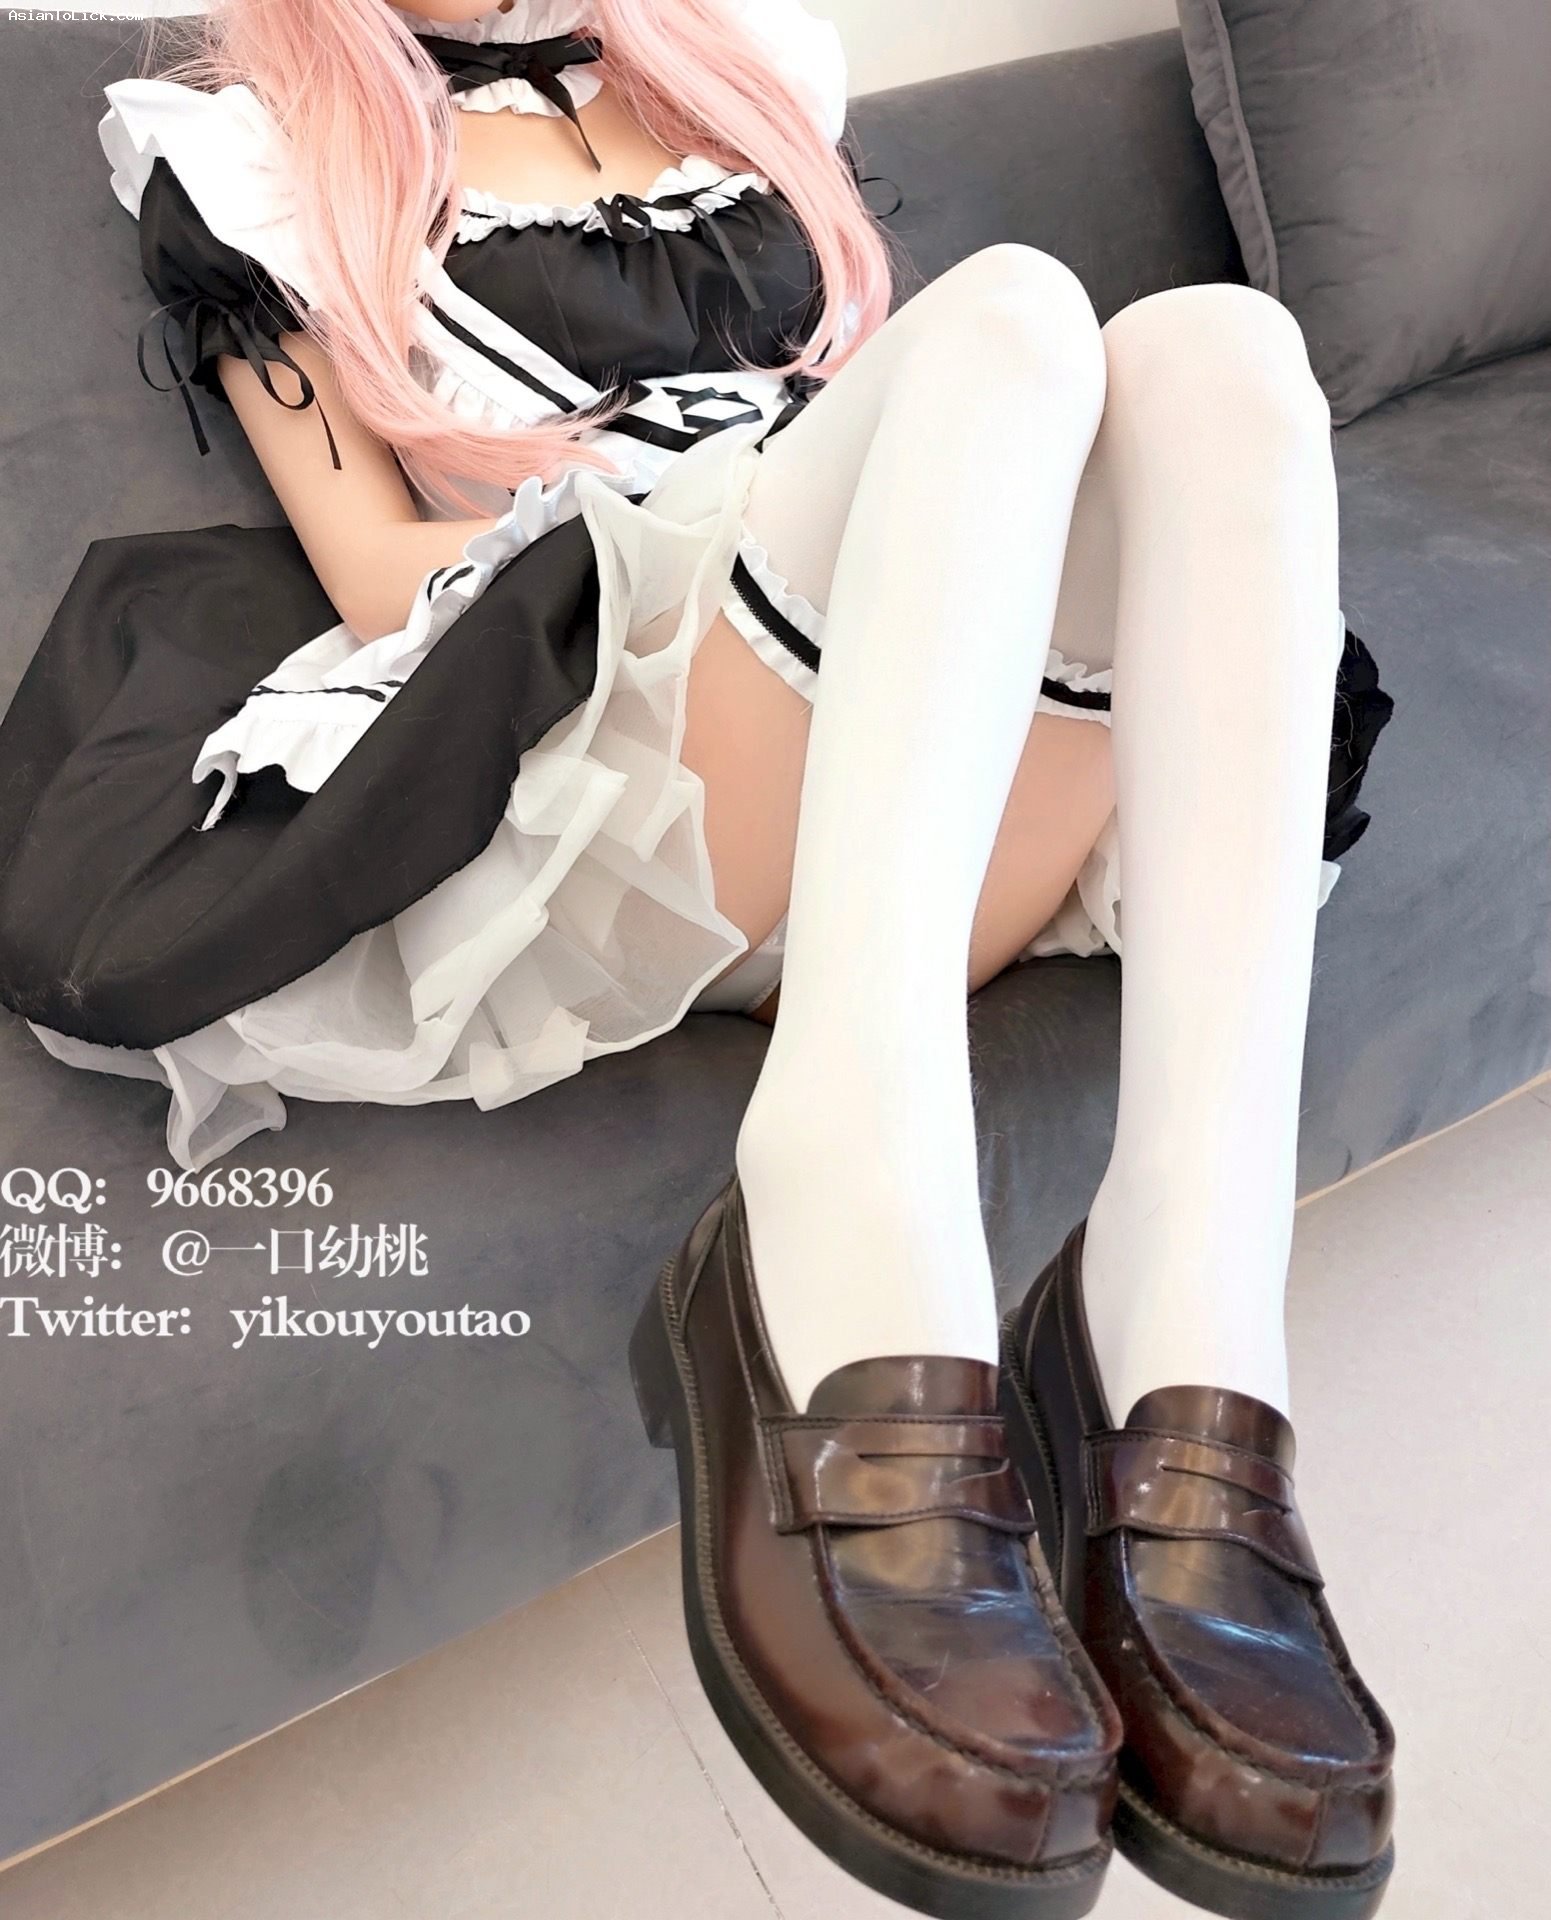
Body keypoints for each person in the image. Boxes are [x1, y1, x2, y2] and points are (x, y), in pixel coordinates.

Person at [0, 2, 1397, 1913]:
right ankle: (837, 1221)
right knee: (1007, 317)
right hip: (647, 777)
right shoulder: (251, 147)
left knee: (1226, 353)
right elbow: (377, 573)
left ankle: (1191, 1316)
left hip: (923, 761)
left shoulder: (730, 77)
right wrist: (665, 506)